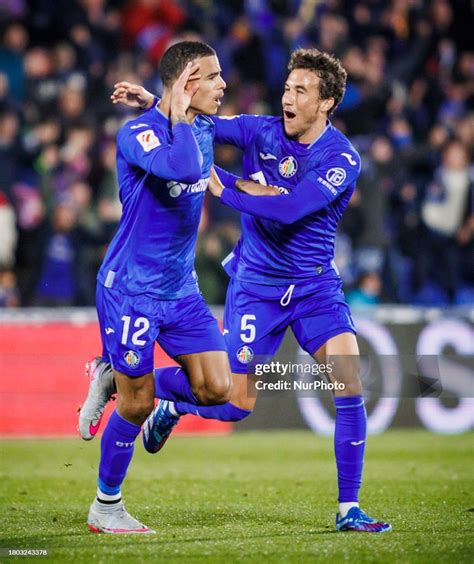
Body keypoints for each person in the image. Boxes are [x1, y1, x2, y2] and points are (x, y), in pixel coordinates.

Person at [96, 47, 391, 533]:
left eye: (302, 91)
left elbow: (293, 209)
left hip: (315, 286)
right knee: (234, 401)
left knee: (349, 383)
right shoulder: (261, 130)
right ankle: (156, 396)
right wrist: (156, 98)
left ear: (328, 103)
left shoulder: (341, 158)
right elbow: (200, 121)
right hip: (256, 286)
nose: (288, 98)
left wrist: (226, 190)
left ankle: (349, 509)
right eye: (287, 87)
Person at [79, 41, 232, 535]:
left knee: (215, 387)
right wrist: (171, 110)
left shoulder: (200, 125)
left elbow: (191, 143)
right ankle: (106, 505)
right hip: (131, 289)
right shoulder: (135, 135)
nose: (223, 85)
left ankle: (115, 380)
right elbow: (185, 167)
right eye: (211, 76)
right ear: (188, 81)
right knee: (136, 404)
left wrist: (165, 102)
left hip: (180, 288)